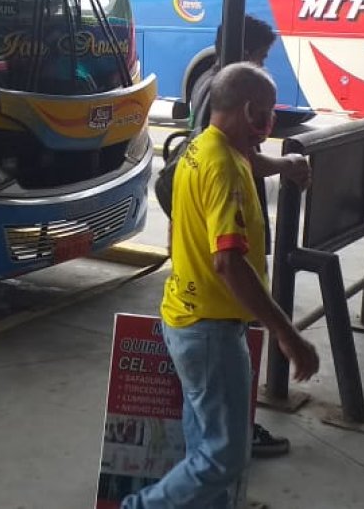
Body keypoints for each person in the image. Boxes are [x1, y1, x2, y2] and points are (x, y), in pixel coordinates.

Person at [122, 63, 320, 509]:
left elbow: (249, 160)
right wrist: (287, 335)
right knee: (224, 457)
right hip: (210, 330)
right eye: (267, 115)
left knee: (204, 442)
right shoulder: (224, 169)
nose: (269, 126)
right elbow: (229, 263)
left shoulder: (205, 146)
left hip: (187, 318)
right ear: (250, 110)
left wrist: (285, 164)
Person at [189, 15, 311, 457]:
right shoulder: (223, 125)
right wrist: (290, 336)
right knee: (232, 344)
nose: (263, 67)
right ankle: (240, 432)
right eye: (259, 58)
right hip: (221, 251)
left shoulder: (207, 83)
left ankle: (228, 432)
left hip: (210, 256)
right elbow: (229, 264)